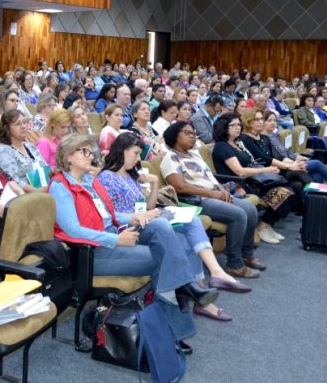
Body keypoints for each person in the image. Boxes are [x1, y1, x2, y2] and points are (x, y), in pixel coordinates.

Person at [48, 133, 211, 345]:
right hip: (91, 253)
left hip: (113, 238)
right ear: (68, 156)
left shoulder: (89, 181)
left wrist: (137, 217)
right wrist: (116, 240)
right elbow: (74, 231)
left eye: (92, 151)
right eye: (85, 152)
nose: (91, 156)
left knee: (160, 225)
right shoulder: (60, 187)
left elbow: (110, 216)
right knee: (164, 258)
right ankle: (181, 303)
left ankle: (181, 296)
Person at [99, 132, 244, 320]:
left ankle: (205, 288)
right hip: (128, 228)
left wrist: (154, 183)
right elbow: (109, 215)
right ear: (122, 150)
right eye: (135, 154)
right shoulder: (106, 178)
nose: (138, 159)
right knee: (175, 230)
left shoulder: (131, 176)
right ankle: (197, 291)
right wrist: (141, 215)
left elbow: (149, 207)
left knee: (189, 230)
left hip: (148, 220)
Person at [161, 121, 264, 280]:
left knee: (250, 209)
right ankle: (234, 264)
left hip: (211, 194)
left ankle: (246, 254)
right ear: (174, 135)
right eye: (187, 132)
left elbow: (210, 177)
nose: (192, 136)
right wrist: (212, 194)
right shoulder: (170, 158)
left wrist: (222, 191)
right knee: (239, 214)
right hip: (194, 201)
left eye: (193, 133)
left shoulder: (194, 154)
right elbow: (180, 187)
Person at [212, 113, 293, 245]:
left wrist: (267, 170)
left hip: (250, 180)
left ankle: (266, 226)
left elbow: (251, 163)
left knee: (286, 189)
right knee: (283, 191)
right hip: (237, 184)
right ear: (224, 127)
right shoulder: (222, 146)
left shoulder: (237, 142)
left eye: (239, 124)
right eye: (233, 125)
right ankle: (263, 227)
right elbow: (239, 171)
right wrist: (266, 170)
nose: (238, 127)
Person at [262, 111, 327, 199]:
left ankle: (311, 204)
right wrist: (294, 163)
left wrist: (299, 157)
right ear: (263, 122)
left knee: (316, 175)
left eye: (275, 120)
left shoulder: (274, 135)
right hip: (283, 167)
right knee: (317, 164)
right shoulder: (264, 138)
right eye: (269, 120)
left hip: (290, 163)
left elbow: (286, 152)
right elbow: (276, 157)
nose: (273, 123)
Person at [0, 110, 49, 193]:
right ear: (7, 128)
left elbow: (45, 168)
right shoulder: (3, 152)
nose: (23, 126)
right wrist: (38, 192)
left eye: (24, 122)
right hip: (23, 197)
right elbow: (12, 181)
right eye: (18, 124)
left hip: (43, 191)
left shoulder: (30, 146)